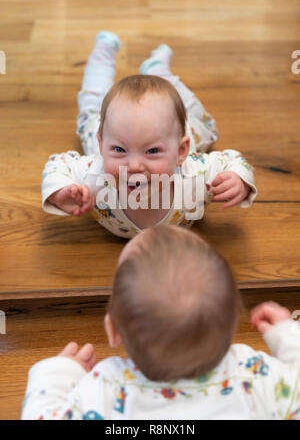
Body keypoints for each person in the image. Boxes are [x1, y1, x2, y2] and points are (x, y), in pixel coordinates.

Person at [22, 225, 300, 420]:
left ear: (113, 330)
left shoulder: (104, 388)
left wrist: (58, 374)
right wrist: (288, 335)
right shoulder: (256, 376)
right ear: (232, 325)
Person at [41, 32, 257, 238]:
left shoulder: (195, 174)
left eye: (152, 151)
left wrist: (239, 180)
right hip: (111, 126)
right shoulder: (94, 174)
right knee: (91, 109)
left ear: (181, 152)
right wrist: (60, 190)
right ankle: (102, 54)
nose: (134, 166)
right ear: (102, 146)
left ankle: (159, 72)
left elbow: (233, 160)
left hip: (169, 128)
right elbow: (57, 164)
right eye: (119, 150)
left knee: (204, 126)